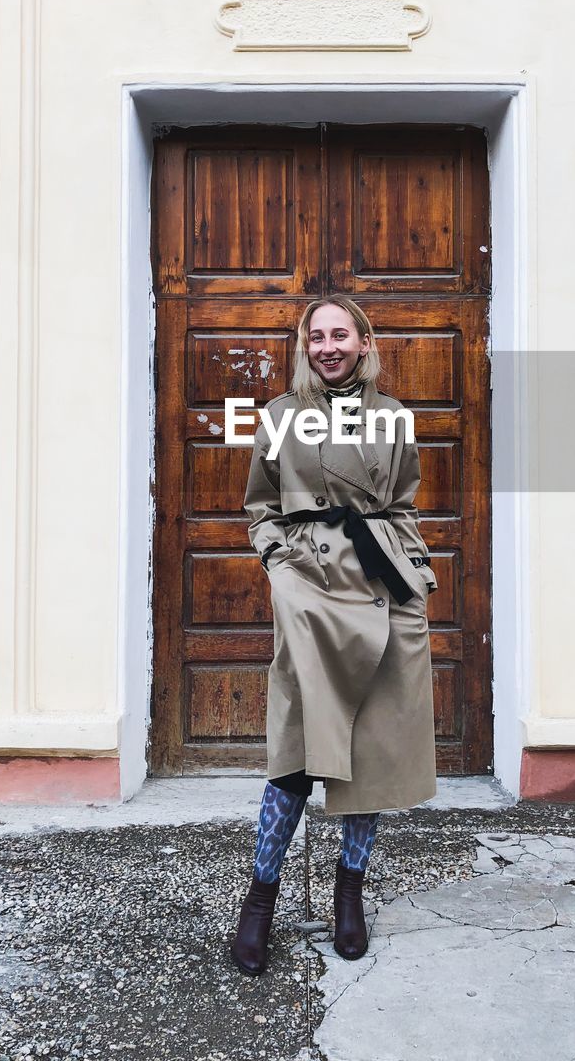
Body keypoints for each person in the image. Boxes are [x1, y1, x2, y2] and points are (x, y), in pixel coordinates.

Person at [229, 295, 438, 976]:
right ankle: (260, 901)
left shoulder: (394, 417)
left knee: (372, 750)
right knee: (295, 750)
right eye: (315, 335)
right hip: (311, 592)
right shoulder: (279, 418)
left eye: (339, 333)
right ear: (304, 345)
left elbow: (402, 500)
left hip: (382, 586)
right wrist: (277, 567)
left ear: (363, 340)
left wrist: (415, 572)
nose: (327, 345)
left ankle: (350, 896)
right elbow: (260, 508)